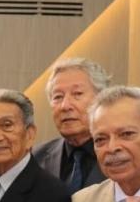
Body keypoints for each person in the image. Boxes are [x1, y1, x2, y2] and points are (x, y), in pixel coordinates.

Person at [32, 58, 112, 192]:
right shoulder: (35, 159)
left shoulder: (124, 153)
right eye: (58, 97)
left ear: (102, 99)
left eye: (77, 94)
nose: (65, 106)